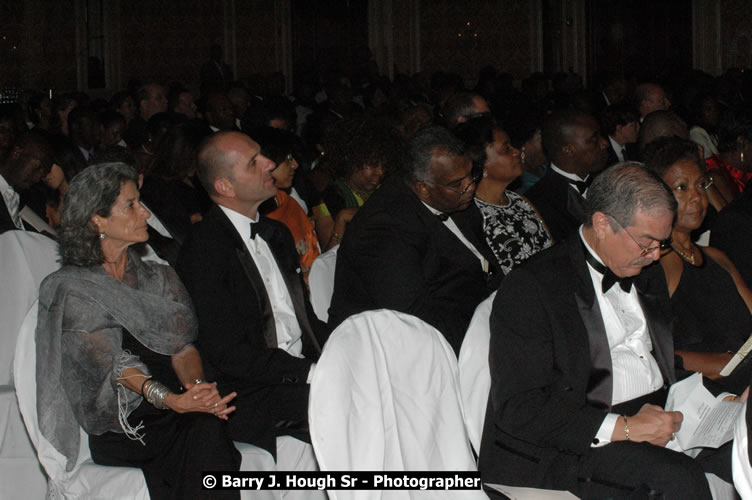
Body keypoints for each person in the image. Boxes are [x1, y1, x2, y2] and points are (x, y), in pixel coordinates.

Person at [479, 162, 717, 498]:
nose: (654, 255)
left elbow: (650, 360)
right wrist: (626, 428)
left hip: (656, 411)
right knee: (676, 478)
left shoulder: (645, 269)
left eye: (661, 244)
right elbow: (520, 408)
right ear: (603, 224)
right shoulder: (533, 287)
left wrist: (716, 399)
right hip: (571, 441)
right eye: (647, 243)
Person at [35, 162, 240, 499]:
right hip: (125, 420)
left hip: (177, 406)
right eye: (130, 205)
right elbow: (110, 365)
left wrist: (198, 389)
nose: (144, 213)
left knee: (208, 424)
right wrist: (171, 400)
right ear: (96, 219)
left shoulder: (159, 276)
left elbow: (183, 348)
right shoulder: (72, 288)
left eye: (139, 201)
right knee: (203, 434)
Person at [176, 131, 326, 461]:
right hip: (248, 391)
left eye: (263, 156)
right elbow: (229, 353)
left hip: (297, 374)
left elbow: (306, 321)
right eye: (253, 162)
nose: (270, 164)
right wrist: (312, 373)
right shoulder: (205, 249)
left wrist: (349, 347)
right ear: (224, 187)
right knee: (356, 400)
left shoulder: (277, 234)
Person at [328, 126, 501, 353]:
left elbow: (485, 266)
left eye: (472, 174)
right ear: (423, 188)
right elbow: (414, 318)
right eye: (457, 183)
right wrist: (490, 339)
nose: (470, 187)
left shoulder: (455, 197)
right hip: (395, 349)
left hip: (473, 317)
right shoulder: (383, 228)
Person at [644, 137, 752, 391]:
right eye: (682, 188)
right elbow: (645, 352)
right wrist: (718, 364)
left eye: (701, 185)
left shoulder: (716, 257)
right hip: (703, 394)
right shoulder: (657, 264)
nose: (697, 197)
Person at [454, 116, 552, 275]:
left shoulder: (519, 201)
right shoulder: (473, 216)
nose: (516, 151)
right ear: (481, 162)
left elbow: (551, 249)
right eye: (506, 148)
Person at [312, 117, 402, 250]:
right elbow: (329, 261)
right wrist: (341, 221)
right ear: (352, 160)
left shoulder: (389, 192)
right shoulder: (328, 201)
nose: (380, 172)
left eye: (384, 166)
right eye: (373, 165)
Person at [525, 108, 608, 243]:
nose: (604, 143)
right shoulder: (536, 203)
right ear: (568, 149)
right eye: (594, 139)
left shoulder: (610, 184)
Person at [253, 126, 320, 281]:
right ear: (267, 163)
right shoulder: (255, 217)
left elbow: (313, 253)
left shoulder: (289, 203)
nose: (295, 165)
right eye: (288, 158)